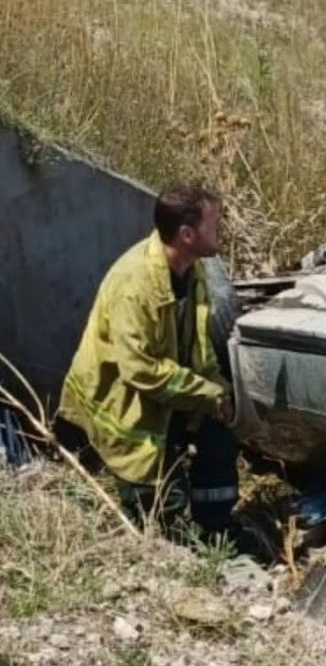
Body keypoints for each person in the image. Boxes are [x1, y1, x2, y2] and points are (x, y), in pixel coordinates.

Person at [59, 184, 241, 539]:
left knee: (220, 438)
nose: (221, 230)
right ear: (187, 234)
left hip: (165, 397)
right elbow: (139, 369)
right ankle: (165, 537)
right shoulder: (136, 285)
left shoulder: (192, 272)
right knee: (164, 504)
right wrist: (205, 392)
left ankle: (215, 528)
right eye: (214, 223)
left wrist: (219, 389)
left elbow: (198, 345)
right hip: (123, 413)